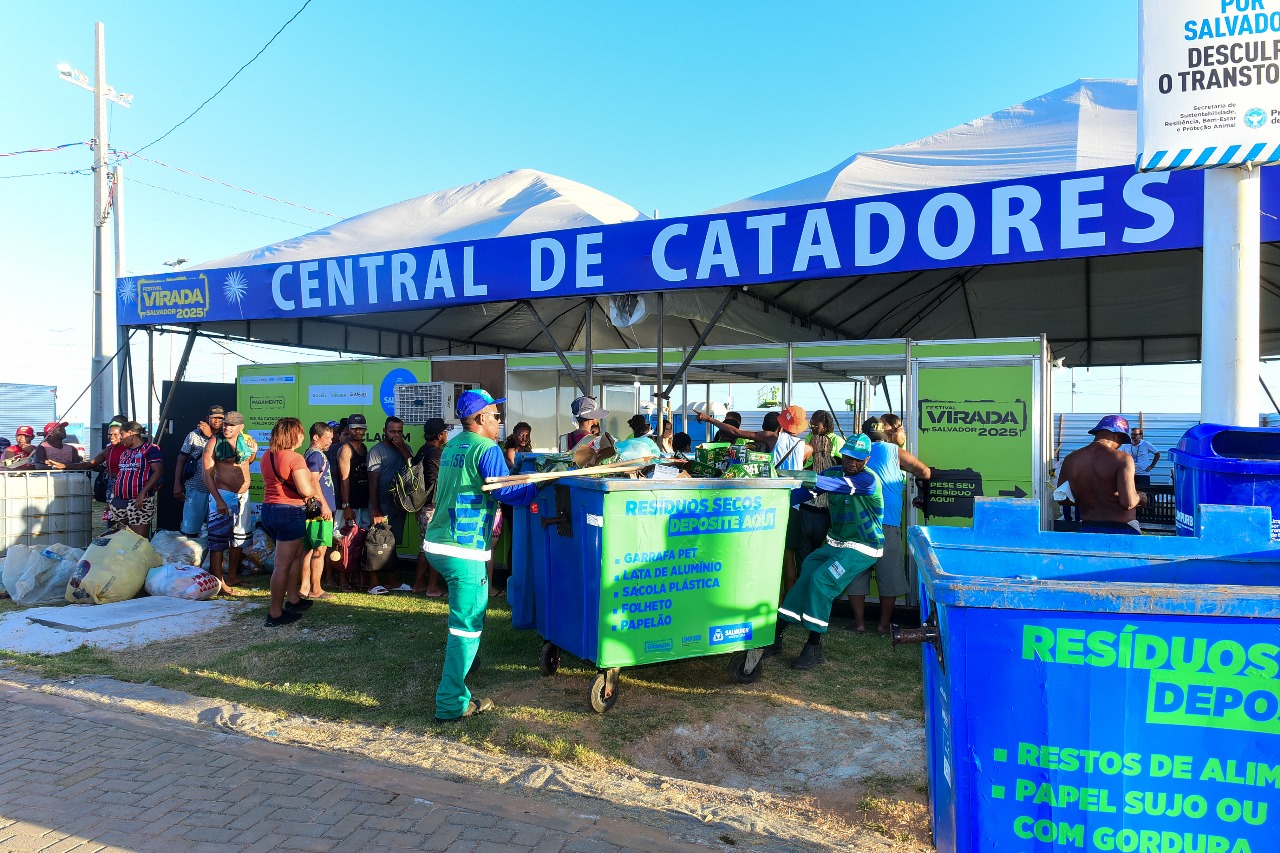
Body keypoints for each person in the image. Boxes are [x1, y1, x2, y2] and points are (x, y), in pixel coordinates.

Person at [424, 390, 535, 723]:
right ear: (481, 418)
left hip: (437, 543)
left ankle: (462, 678)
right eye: (496, 416)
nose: (500, 422)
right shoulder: (486, 447)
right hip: (462, 548)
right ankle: (451, 703)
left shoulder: (454, 445)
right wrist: (540, 487)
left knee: (468, 622)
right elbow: (506, 491)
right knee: (467, 627)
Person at [770, 434, 883, 670]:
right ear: (842, 455)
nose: (852, 462)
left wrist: (807, 478)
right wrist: (775, 499)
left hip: (863, 547)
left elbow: (839, 486)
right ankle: (775, 637)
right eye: (848, 457)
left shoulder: (869, 481)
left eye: (858, 459)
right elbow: (804, 494)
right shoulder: (832, 474)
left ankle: (814, 647)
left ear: (868, 459)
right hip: (835, 544)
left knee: (822, 581)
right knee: (804, 579)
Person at [848, 413, 931, 634]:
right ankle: (883, 625)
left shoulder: (856, 453)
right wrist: (919, 493)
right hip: (889, 523)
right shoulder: (895, 451)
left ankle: (859, 623)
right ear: (885, 434)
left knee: (857, 572)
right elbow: (925, 471)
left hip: (860, 522)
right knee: (890, 575)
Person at [260, 417, 318, 627]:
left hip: (269, 510)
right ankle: (275, 613)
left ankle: (293, 599)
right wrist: (313, 487)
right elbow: (306, 490)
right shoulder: (295, 458)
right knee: (282, 565)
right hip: (289, 512)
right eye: (301, 432)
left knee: (294, 557)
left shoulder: (267, 455)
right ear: (294, 435)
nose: (303, 436)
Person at [1057, 415, 1145, 535]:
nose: (1119, 445)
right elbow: (1128, 503)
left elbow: (1062, 498)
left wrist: (1088, 500)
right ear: (1117, 435)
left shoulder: (1071, 459)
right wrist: (1140, 497)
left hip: (1088, 528)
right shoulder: (1122, 458)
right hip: (1123, 529)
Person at [202, 411, 257, 594]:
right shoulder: (214, 442)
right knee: (218, 541)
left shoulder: (246, 441)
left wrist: (253, 451)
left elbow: (248, 461)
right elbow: (206, 474)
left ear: (241, 427)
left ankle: (232, 575)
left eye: (231, 425)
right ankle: (219, 583)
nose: (226, 427)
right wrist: (218, 499)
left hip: (243, 495)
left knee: (239, 539)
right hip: (223, 494)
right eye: (225, 424)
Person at [792, 410, 845, 573]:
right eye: (811, 424)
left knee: (809, 552)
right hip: (810, 505)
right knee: (808, 552)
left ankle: (806, 584)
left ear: (826, 424)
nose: (813, 427)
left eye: (816, 424)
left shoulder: (837, 441)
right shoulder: (810, 438)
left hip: (824, 507)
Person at [367, 416, 414, 593]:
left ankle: (392, 581)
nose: (395, 434)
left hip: (399, 505)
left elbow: (414, 467)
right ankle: (373, 583)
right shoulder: (376, 451)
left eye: (399, 432)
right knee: (376, 543)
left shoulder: (405, 448)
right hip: (381, 504)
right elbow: (373, 482)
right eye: (392, 431)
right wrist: (376, 508)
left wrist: (401, 446)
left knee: (391, 544)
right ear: (384, 431)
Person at [411, 417, 451, 598]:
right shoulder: (436, 454)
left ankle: (418, 584)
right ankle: (432, 587)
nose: (447, 434)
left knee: (424, 547)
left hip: (422, 507)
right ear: (439, 435)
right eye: (445, 431)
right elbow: (440, 481)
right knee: (435, 547)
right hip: (433, 507)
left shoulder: (422, 451)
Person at [173, 407, 224, 537]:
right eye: (214, 417)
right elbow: (181, 459)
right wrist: (177, 484)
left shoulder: (227, 435)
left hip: (220, 489)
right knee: (190, 530)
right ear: (208, 418)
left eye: (220, 418)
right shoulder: (194, 435)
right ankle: (190, 557)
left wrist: (210, 436)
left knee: (217, 532)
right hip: (197, 487)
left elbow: (222, 453)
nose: (217, 420)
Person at [300, 422, 336, 600]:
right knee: (319, 550)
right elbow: (313, 481)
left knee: (308, 550)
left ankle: (305, 588)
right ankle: (316, 589)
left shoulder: (311, 454)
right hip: (319, 510)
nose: (331, 441)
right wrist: (325, 505)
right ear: (316, 437)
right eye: (327, 438)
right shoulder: (316, 456)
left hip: (312, 509)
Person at [109, 421, 164, 538]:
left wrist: (143, 493)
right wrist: (112, 498)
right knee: (120, 539)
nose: (121, 438)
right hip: (119, 501)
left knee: (137, 540)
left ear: (130, 433)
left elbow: (158, 471)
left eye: (122, 434)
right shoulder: (125, 453)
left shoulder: (150, 449)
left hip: (139, 501)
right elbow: (121, 474)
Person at [338, 413, 372, 529]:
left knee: (362, 540)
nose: (358, 431)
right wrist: (346, 505)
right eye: (354, 428)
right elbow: (344, 479)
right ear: (348, 429)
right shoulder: (346, 449)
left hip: (363, 503)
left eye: (361, 428)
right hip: (351, 505)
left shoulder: (363, 447)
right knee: (345, 542)